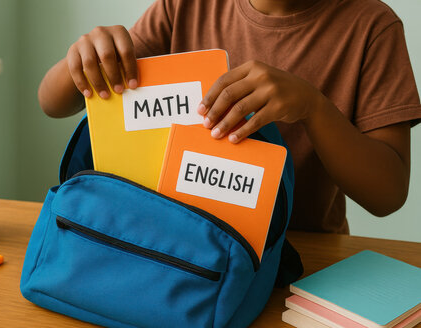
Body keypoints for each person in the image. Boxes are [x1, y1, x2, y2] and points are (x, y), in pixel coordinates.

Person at [38, 0, 421, 234]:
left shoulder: (373, 26)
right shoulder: (184, 6)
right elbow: (53, 102)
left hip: (304, 259)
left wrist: (313, 107)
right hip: (186, 246)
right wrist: (85, 56)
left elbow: (387, 194)